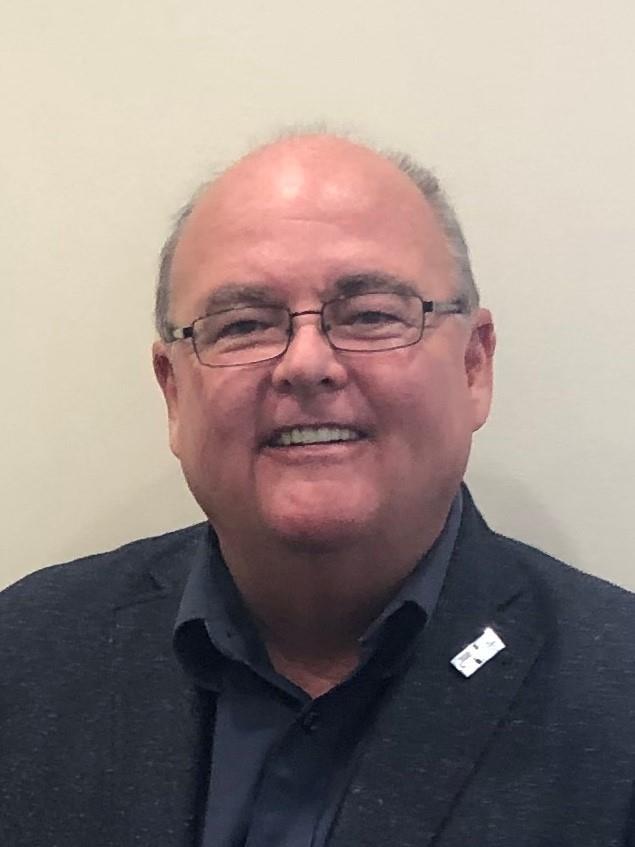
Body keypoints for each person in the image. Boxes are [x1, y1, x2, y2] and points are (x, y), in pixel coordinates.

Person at [1, 132, 634, 847]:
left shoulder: (618, 694)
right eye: (243, 325)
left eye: (370, 314)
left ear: (472, 368)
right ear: (174, 392)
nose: (306, 363)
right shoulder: (24, 657)